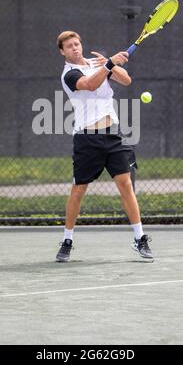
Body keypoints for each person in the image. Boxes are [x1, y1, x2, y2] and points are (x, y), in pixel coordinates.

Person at [56, 31, 153, 262]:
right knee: (78, 190)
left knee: (125, 184)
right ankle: (67, 240)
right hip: (87, 138)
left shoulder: (95, 62)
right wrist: (109, 63)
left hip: (113, 135)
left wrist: (111, 65)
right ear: (62, 52)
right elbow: (89, 84)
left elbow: (126, 80)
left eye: (77, 44)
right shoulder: (69, 74)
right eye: (69, 46)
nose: (75, 48)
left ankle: (140, 238)